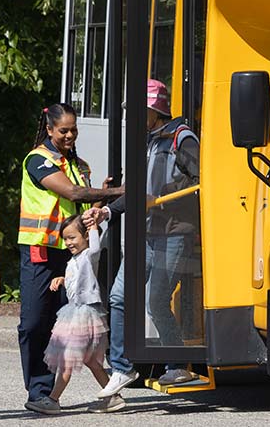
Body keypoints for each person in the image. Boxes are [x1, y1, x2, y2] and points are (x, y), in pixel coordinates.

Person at [87, 79, 201, 398]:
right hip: (148, 234)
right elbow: (138, 191)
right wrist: (107, 212)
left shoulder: (182, 138)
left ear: (154, 110)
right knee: (120, 298)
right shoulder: (149, 141)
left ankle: (177, 365)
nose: (133, 118)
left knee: (155, 301)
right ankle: (123, 368)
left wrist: (162, 198)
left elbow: (203, 182)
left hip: (174, 235)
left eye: (140, 111)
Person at [17, 103, 125, 415]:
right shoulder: (38, 159)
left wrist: (103, 196)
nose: (69, 135)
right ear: (49, 129)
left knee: (76, 325)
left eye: (73, 129)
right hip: (40, 250)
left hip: (72, 252)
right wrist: (121, 191)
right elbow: (74, 194)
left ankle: (95, 391)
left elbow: (83, 205)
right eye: (63, 130)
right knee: (35, 323)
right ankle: (39, 389)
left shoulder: (78, 163)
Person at [41, 215, 126, 413]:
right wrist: (62, 278)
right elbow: (76, 279)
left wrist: (94, 227)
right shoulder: (73, 260)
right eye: (66, 238)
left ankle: (53, 400)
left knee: (67, 359)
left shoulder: (89, 255)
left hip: (85, 313)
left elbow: (95, 249)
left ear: (86, 236)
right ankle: (113, 397)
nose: (68, 242)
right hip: (74, 312)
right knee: (91, 361)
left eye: (73, 237)